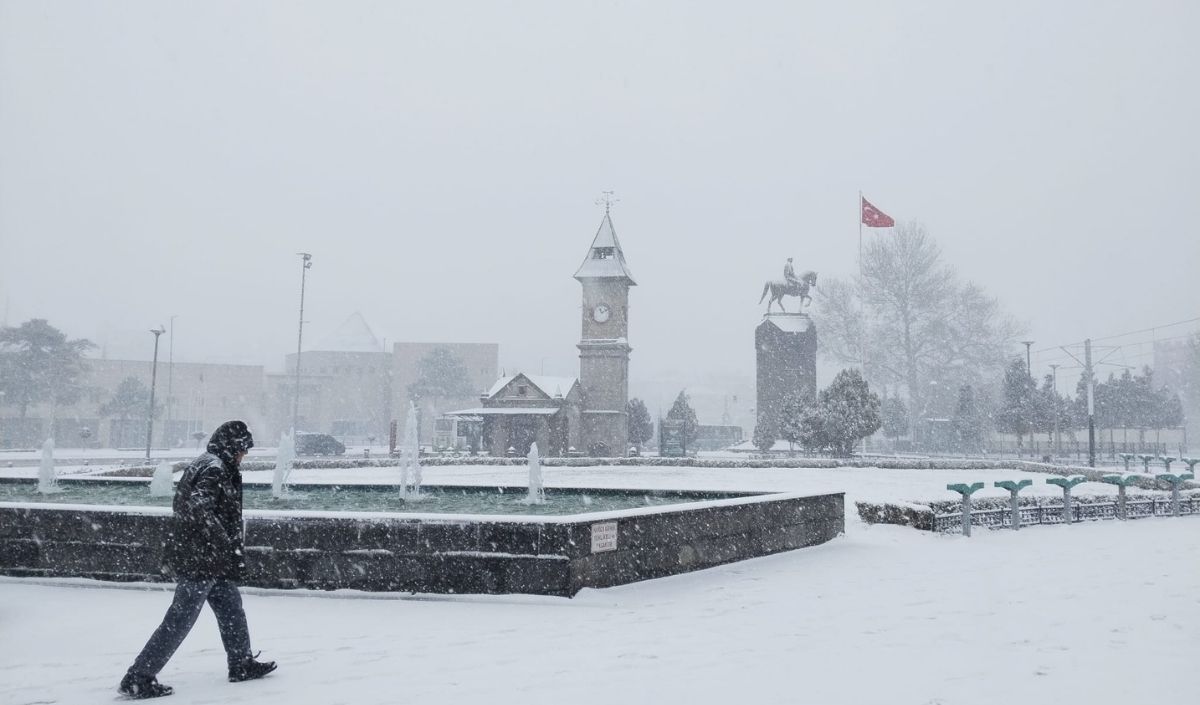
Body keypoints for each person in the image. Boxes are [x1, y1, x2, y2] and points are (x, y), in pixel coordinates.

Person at [118, 420, 276, 699]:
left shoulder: (208, 462)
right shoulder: (215, 468)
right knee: (180, 619)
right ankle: (138, 677)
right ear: (231, 447)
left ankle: (241, 663)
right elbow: (198, 507)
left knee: (231, 609)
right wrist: (222, 541)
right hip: (202, 559)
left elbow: (188, 507)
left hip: (208, 558)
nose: (245, 455)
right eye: (242, 449)